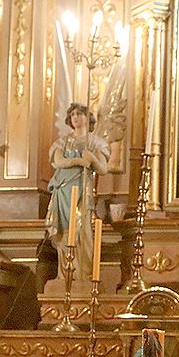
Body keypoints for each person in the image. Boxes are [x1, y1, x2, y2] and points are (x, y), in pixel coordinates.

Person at [45, 103, 110, 281]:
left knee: (83, 230)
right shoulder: (63, 141)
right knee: (65, 231)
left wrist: (93, 158)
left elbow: (103, 169)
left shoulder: (95, 142)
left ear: (88, 118)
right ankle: (65, 274)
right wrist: (80, 161)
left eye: (80, 114)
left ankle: (83, 273)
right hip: (63, 189)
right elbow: (59, 161)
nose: (76, 117)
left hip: (83, 190)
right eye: (73, 114)